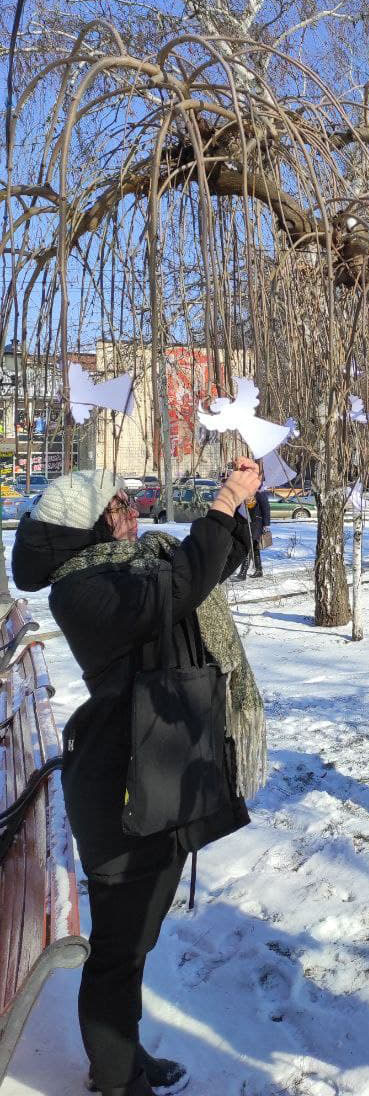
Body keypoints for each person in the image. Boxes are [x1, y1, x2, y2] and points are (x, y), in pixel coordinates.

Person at [12, 459, 265, 1096]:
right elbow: (178, 586)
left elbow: (202, 572)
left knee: (137, 940)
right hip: (120, 790)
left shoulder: (129, 566)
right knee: (119, 950)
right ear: (89, 526)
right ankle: (117, 1078)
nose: (131, 511)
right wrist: (222, 504)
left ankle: (122, 1055)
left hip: (155, 772)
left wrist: (239, 507)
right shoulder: (83, 589)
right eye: (119, 505)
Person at [237, 473, 270, 580]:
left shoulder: (260, 492)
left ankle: (243, 572)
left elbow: (266, 508)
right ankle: (259, 570)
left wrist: (266, 524)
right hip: (246, 522)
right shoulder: (245, 491)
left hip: (256, 523)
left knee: (247, 546)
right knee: (254, 547)